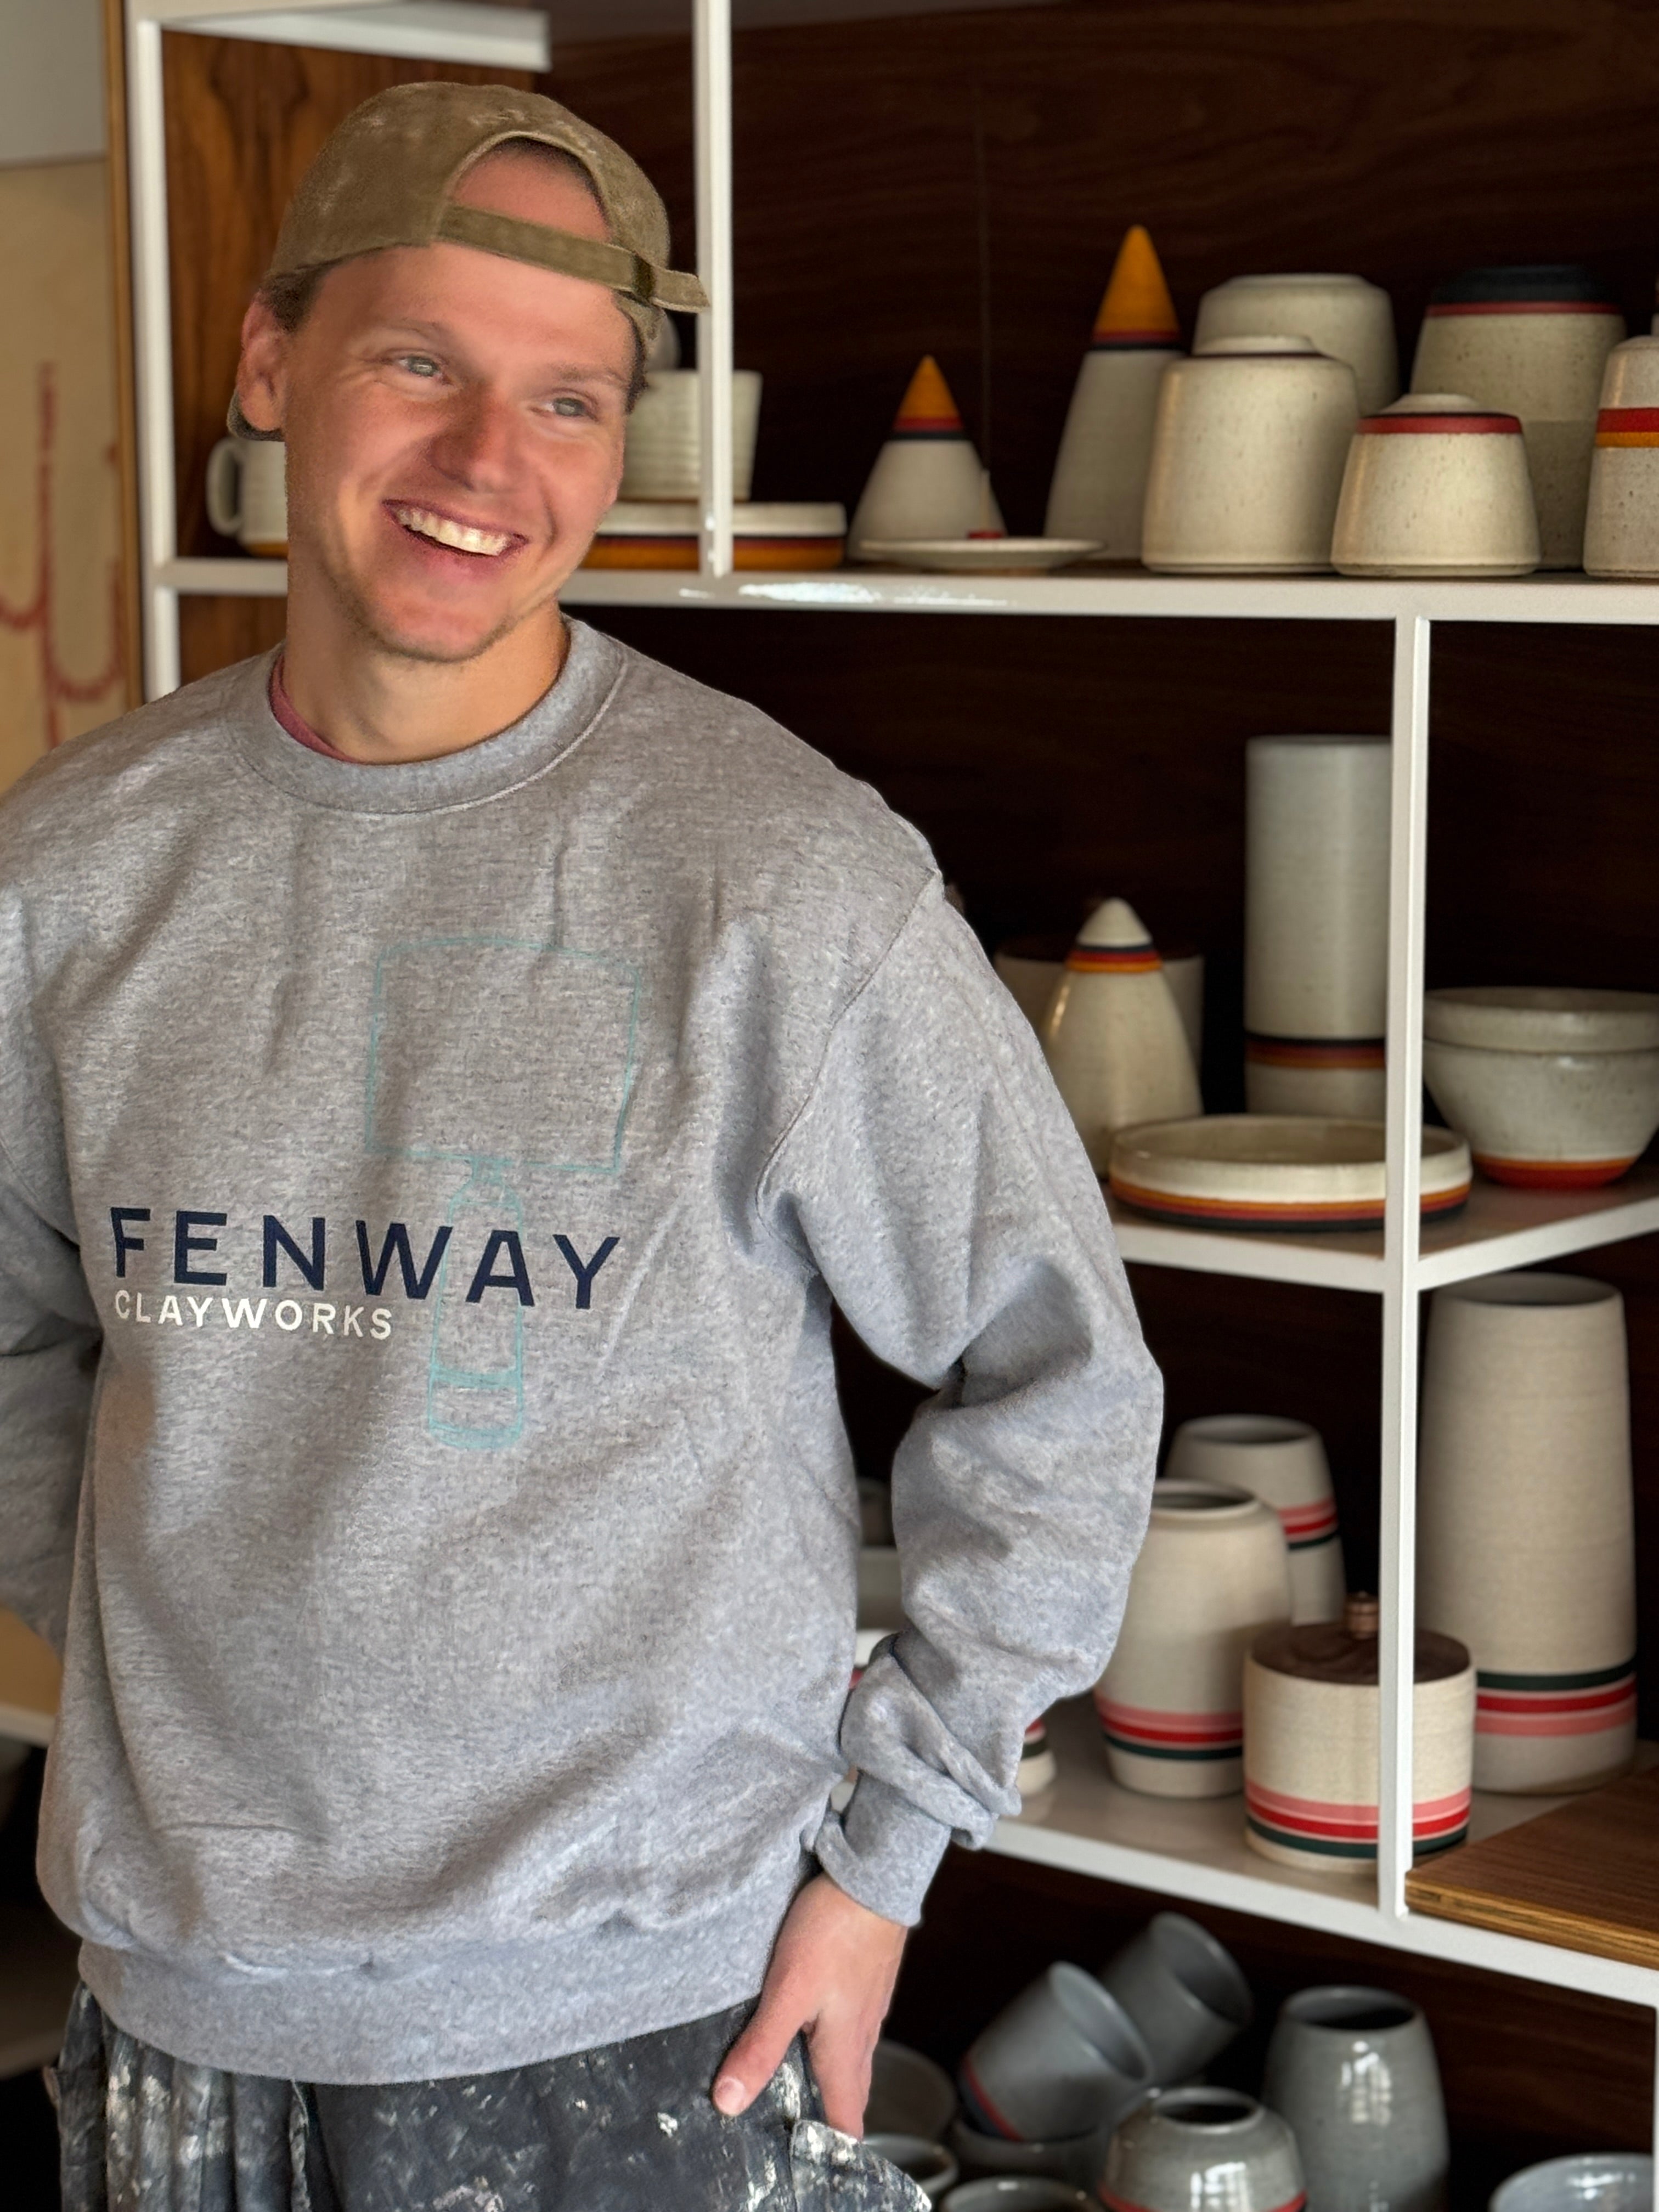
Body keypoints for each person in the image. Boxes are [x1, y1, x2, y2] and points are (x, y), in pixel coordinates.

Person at [0, 82, 1161, 2210]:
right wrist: (195, 1680)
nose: (487, 463)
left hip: (651, 2032)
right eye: (419, 362)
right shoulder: (66, 876)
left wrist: (885, 1866)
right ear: (268, 363)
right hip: (179, 2018)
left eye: (569, 400)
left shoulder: (781, 882)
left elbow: (1060, 1378)